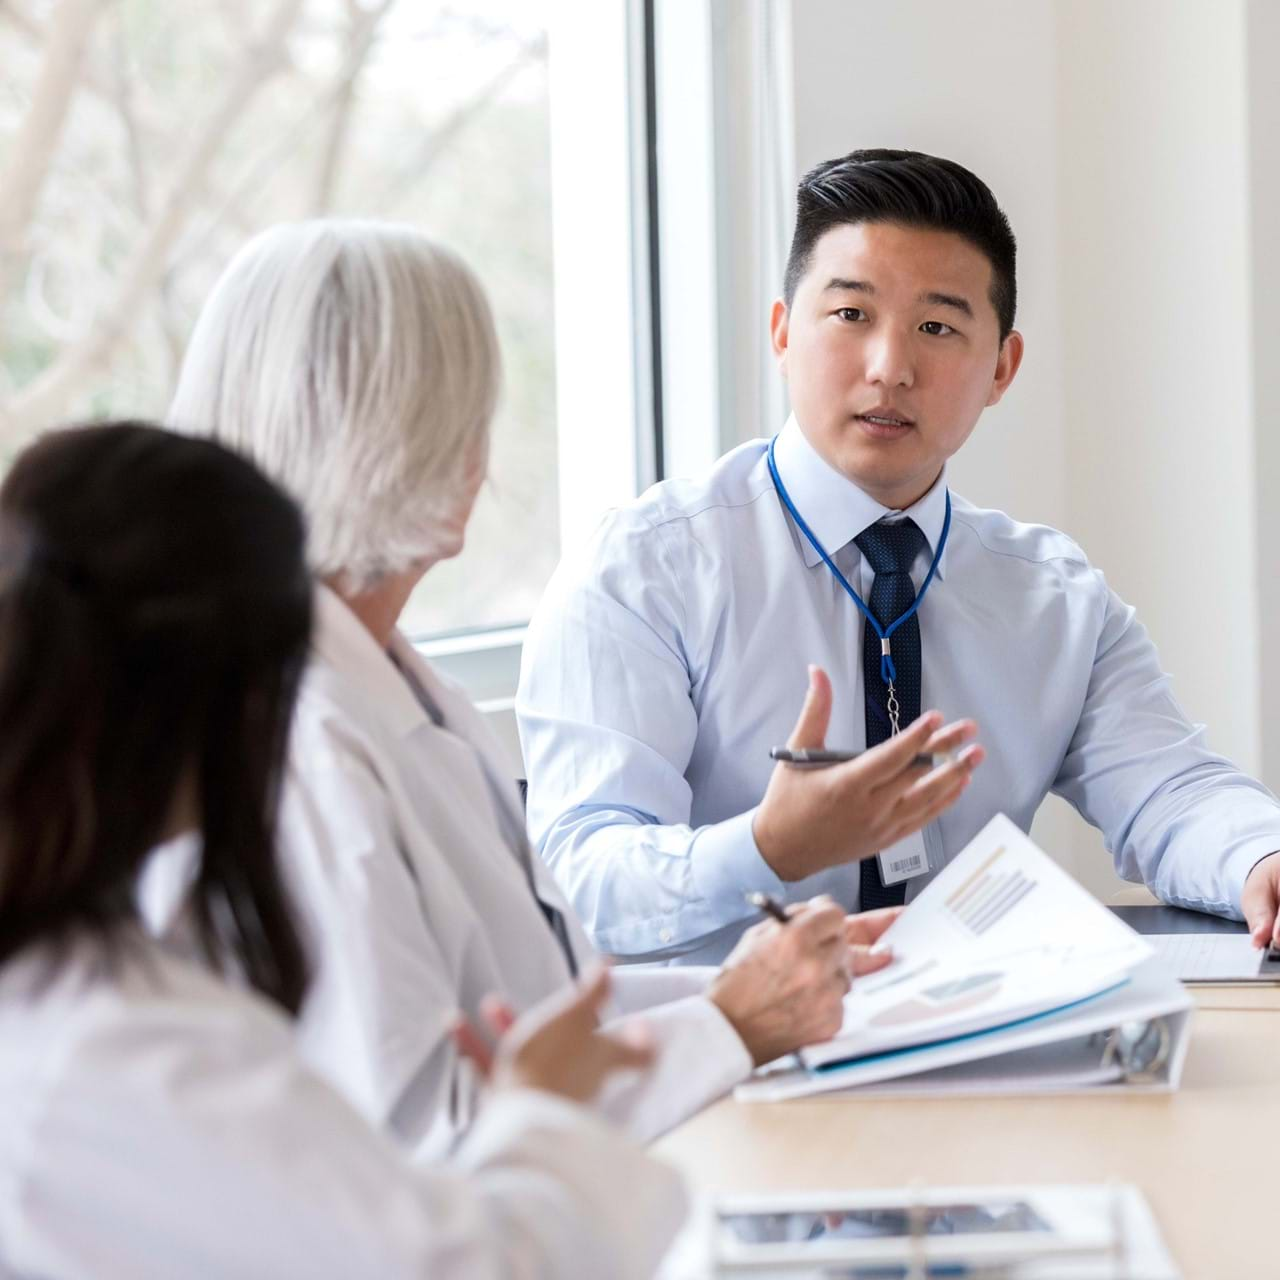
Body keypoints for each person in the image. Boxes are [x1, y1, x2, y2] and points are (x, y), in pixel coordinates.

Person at [154, 219, 978, 1160]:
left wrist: (750, 989)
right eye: (468, 411)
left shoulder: (390, 684)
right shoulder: (302, 746)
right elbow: (428, 1135)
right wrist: (731, 1024)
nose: (482, 454)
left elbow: (537, 1002)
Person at [516, 147, 1280, 967]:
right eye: (851, 316)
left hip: (986, 1041)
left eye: (938, 327)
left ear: (1001, 369)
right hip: (733, 1059)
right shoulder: (645, 570)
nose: (891, 368)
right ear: (781, 332)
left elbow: (1170, 791)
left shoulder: (1054, 599)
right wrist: (765, 846)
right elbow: (579, 877)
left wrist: (1259, 858)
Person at [0, 422, 685, 1280]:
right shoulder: (120, 1057)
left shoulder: (80, 986)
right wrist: (540, 1115)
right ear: (226, 698)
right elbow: (460, 1269)